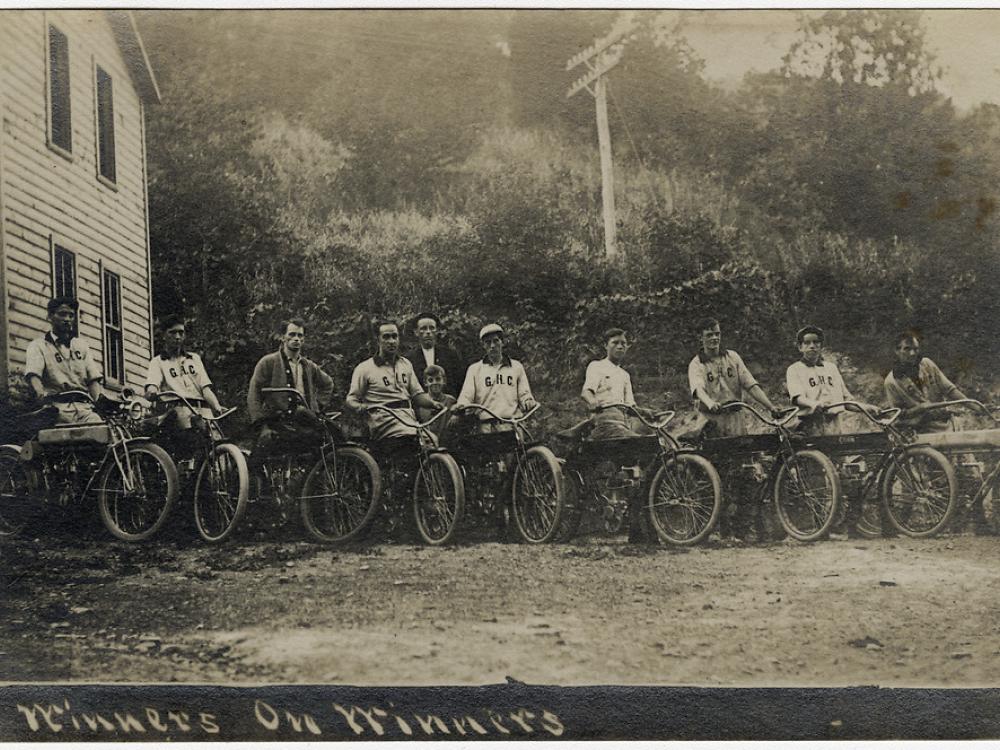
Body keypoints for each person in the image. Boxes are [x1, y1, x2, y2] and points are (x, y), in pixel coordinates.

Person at [247, 318, 334, 469]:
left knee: (323, 443)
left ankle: (307, 483)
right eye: (292, 335)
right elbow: (254, 392)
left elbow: (328, 383)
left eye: (300, 336)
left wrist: (317, 406)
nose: (296, 339)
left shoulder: (308, 365)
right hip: (277, 419)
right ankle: (255, 484)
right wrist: (259, 421)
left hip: (303, 419)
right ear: (282, 337)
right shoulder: (268, 362)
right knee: (263, 445)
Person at [346, 320, 443, 440]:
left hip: (408, 419)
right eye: (386, 337)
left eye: (394, 336)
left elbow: (417, 395)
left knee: (432, 439)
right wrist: (363, 408)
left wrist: (433, 403)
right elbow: (351, 400)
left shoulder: (405, 364)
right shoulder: (365, 368)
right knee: (409, 438)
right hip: (384, 422)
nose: (391, 341)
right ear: (378, 340)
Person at [144, 314, 225, 457]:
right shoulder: (158, 362)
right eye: (172, 332)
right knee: (192, 446)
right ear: (164, 335)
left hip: (202, 410)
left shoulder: (194, 359)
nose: (177, 337)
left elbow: (205, 388)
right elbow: (152, 385)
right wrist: (152, 391)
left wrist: (217, 407)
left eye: (181, 332)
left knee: (218, 443)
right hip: (178, 411)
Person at [687, 317, 783, 437]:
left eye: (717, 334)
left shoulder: (732, 357)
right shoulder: (696, 364)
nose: (714, 338)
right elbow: (698, 390)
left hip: (735, 419)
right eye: (709, 335)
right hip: (710, 420)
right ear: (700, 338)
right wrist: (710, 403)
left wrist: (771, 407)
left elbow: (750, 385)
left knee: (742, 451)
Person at [24, 296, 103, 425]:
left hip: (84, 408)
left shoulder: (81, 345)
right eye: (62, 314)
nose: (67, 319)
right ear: (50, 316)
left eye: (71, 316)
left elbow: (93, 380)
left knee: (101, 431)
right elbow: (34, 376)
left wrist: (99, 403)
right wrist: (40, 394)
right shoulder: (38, 346)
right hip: (56, 409)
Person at [786, 325, 876, 437]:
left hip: (835, 424)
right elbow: (798, 397)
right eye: (807, 343)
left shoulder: (831, 368)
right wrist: (814, 404)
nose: (812, 346)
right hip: (810, 425)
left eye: (816, 342)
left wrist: (867, 408)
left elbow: (846, 400)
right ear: (800, 347)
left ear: (821, 346)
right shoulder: (794, 369)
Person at [454, 324, 537, 433]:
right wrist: (461, 406)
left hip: (512, 425)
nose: (492, 346)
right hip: (486, 427)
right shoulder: (475, 369)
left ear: (502, 342)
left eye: (496, 341)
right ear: (483, 345)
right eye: (488, 342)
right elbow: (466, 395)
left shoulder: (516, 367)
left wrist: (528, 401)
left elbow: (524, 393)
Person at [884, 330, 967, 432]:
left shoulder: (927, 365)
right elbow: (898, 415)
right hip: (921, 431)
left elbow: (949, 389)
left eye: (915, 349)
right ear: (896, 351)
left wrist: (976, 407)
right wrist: (920, 409)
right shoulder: (891, 382)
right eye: (907, 349)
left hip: (949, 424)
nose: (912, 353)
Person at [580, 328, 653, 439]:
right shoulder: (596, 366)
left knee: (652, 440)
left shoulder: (625, 375)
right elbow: (586, 392)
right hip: (602, 423)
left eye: (623, 343)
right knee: (638, 442)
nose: (620, 346)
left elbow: (630, 407)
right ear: (606, 345)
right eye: (615, 343)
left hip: (621, 424)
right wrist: (593, 402)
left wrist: (647, 412)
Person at [404, 313, 464, 397]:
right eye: (423, 328)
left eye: (432, 328)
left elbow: (460, 383)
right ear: (416, 332)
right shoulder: (408, 359)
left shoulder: (450, 355)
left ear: (437, 331)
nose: (428, 332)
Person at [416, 364, 457, 439]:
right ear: (425, 382)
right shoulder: (421, 402)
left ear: (444, 381)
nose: (435, 383)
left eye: (438, 379)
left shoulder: (451, 401)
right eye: (430, 380)